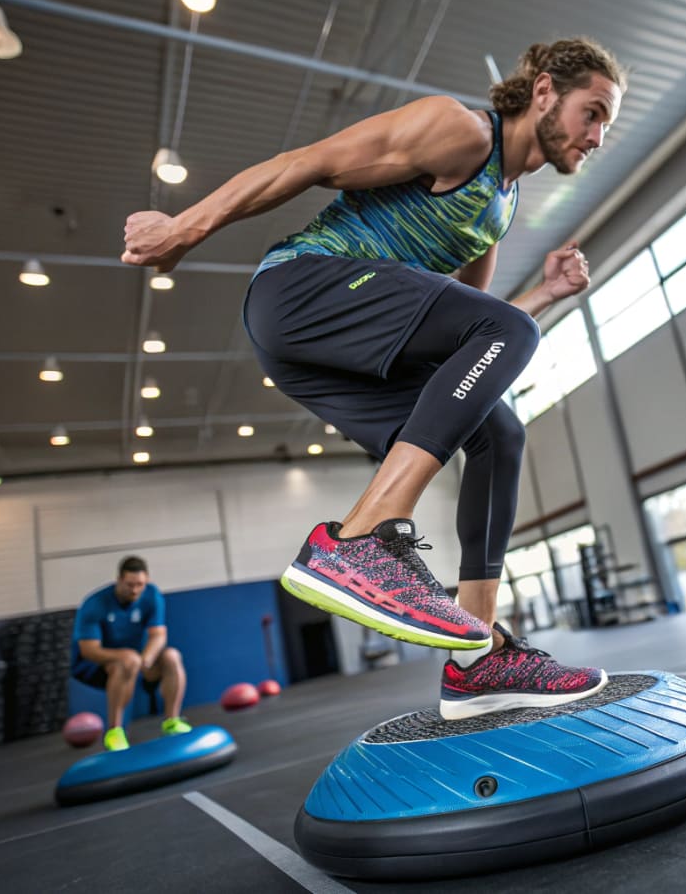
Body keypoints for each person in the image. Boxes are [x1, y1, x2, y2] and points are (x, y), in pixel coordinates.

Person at [122, 39, 627, 720]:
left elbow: (473, 334)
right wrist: (186, 227)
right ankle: (362, 537)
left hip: (326, 347)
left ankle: (477, 657)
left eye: (607, 125)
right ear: (543, 93)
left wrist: (543, 295)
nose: (597, 137)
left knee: (497, 428)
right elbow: (305, 164)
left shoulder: (498, 209)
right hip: (299, 290)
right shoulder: (460, 131)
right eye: (591, 113)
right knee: (505, 345)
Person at [71, 556, 191, 750]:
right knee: (126, 662)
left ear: (147, 581)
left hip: (136, 659)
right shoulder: (95, 603)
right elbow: (89, 650)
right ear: (118, 580)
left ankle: (172, 721)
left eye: (140, 585)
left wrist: (146, 659)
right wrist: (127, 657)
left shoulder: (151, 595)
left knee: (171, 656)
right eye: (129, 585)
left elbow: (158, 635)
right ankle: (114, 732)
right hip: (94, 665)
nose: (135, 590)